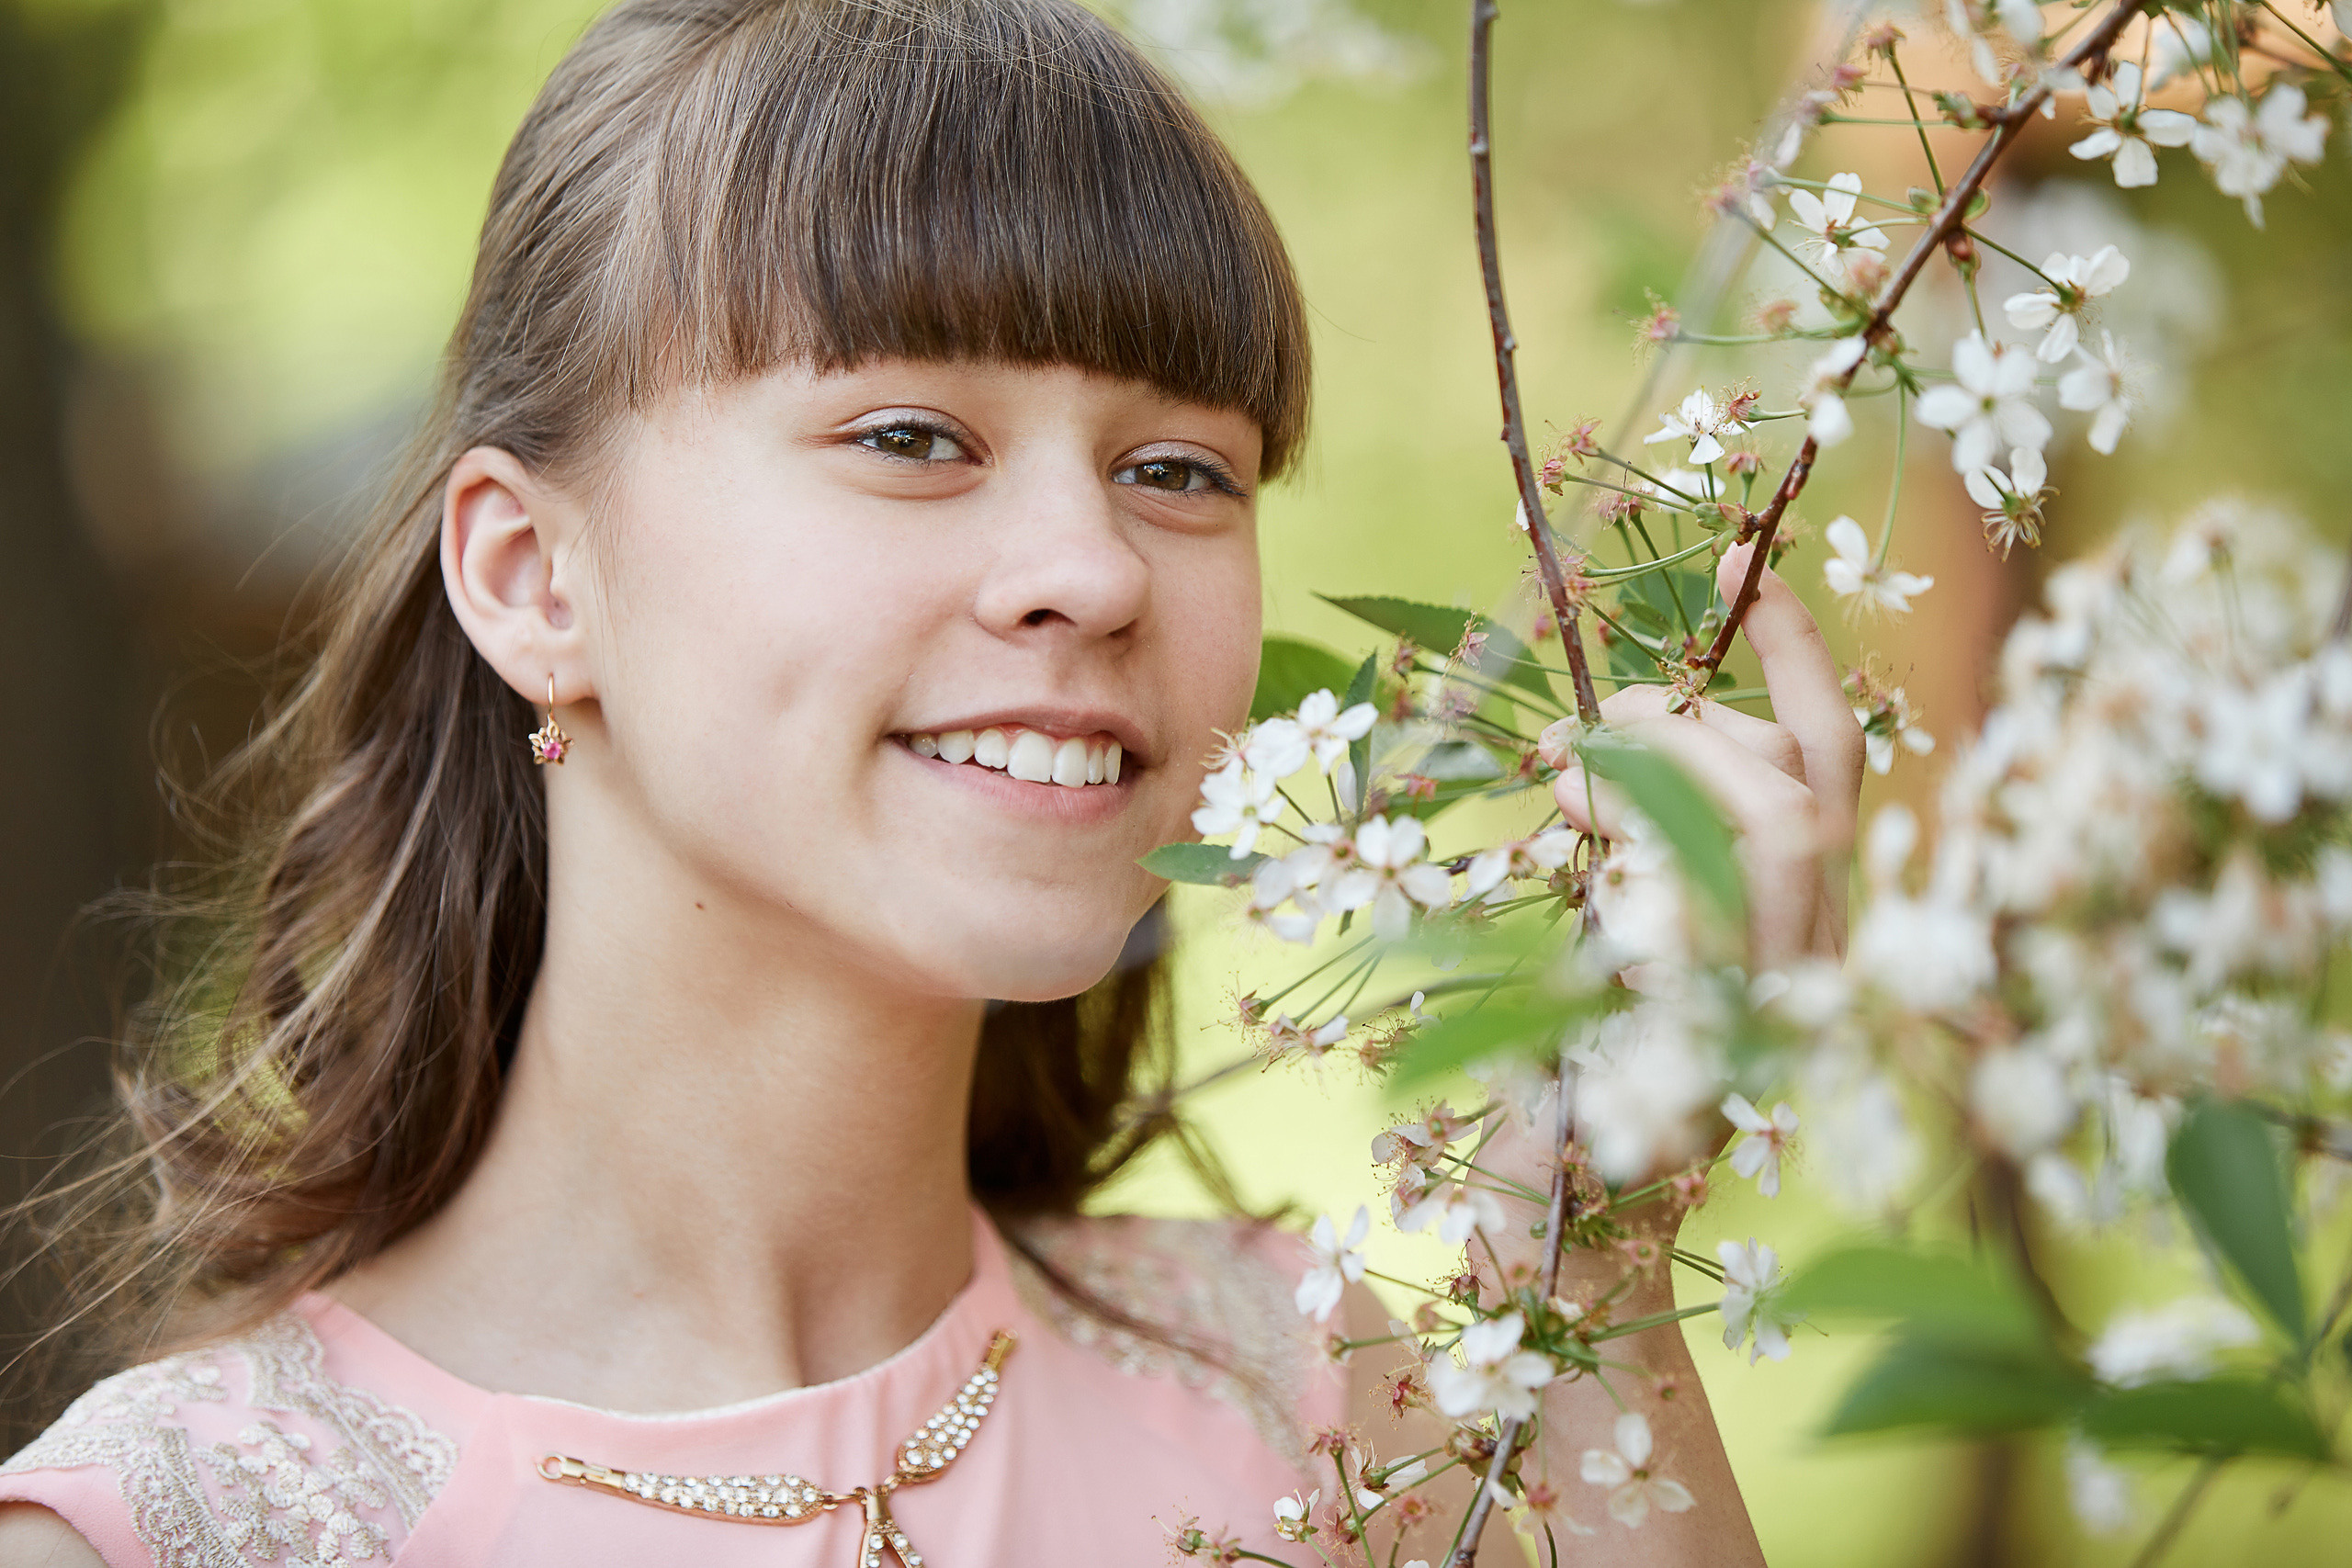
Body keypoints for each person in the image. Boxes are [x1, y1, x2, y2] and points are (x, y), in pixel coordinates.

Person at [0, 0, 1858, 1561]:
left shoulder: (1304, 1397)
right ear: (530, 577)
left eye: (1180, 470)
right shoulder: (172, 1528)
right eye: (908, 435)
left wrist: (1591, 1258)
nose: (1095, 566)